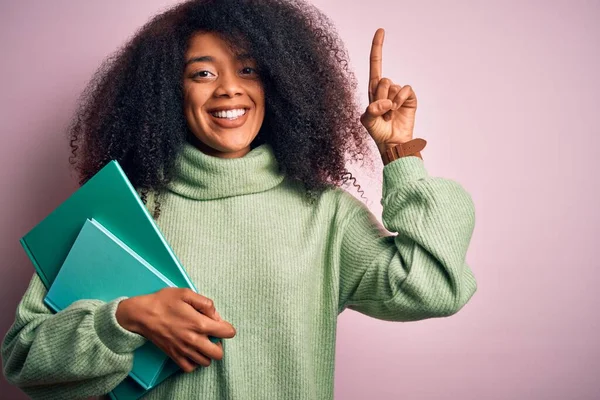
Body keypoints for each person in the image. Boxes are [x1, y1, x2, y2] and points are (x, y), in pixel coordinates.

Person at [1, 0, 478, 399]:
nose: (229, 87)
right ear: (169, 92)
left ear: (277, 83)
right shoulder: (124, 211)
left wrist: (398, 154)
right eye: (202, 73)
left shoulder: (324, 214)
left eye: (248, 69)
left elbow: (433, 287)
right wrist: (124, 319)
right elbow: (23, 358)